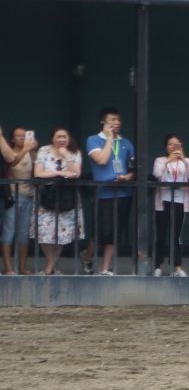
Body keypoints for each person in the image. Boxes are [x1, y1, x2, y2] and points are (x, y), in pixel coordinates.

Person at [84, 108, 136, 275]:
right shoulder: (93, 140)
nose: (117, 123)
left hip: (123, 192)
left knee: (115, 232)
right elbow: (101, 160)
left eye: (118, 120)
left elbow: (133, 167)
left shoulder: (126, 143)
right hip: (103, 193)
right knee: (102, 231)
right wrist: (109, 139)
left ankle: (105, 267)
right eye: (113, 120)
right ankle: (87, 255)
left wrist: (127, 177)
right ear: (103, 122)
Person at [33, 129, 84, 274]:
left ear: (69, 138)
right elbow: (38, 172)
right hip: (47, 197)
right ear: (52, 138)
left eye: (64, 136)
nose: (61, 139)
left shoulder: (74, 152)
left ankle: (50, 267)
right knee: (44, 231)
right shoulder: (44, 150)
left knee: (61, 233)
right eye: (58, 136)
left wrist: (67, 156)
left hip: (66, 198)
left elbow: (76, 173)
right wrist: (59, 173)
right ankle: (51, 263)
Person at [149, 136, 189, 276]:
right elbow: (157, 174)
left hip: (180, 201)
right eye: (170, 144)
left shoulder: (186, 161)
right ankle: (157, 266)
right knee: (161, 234)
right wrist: (168, 161)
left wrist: (184, 160)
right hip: (163, 201)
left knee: (177, 235)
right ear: (166, 147)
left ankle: (177, 266)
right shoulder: (160, 160)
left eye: (177, 144)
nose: (173, 147)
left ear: (181, 146)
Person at [1, 128, 38, 275]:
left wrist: (33, 151)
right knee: (9, 231)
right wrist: (26, 149)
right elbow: (12, 162)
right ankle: (9, 268)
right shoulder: (8, 152)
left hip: (28, 195)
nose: (22, 138)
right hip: (13, 195)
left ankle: (22, 267)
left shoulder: (30, 152)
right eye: (19, 136)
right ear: (12, 139)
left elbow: (37, 170)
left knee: (23, 233)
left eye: (25, 136)